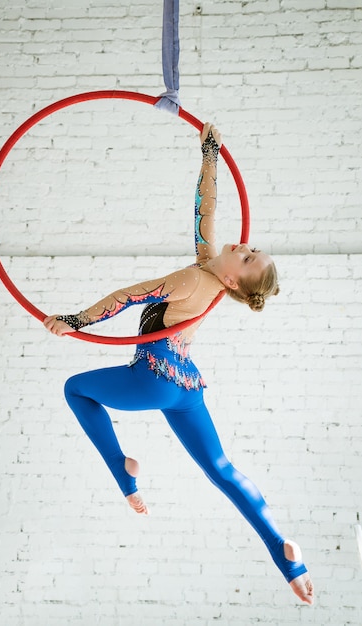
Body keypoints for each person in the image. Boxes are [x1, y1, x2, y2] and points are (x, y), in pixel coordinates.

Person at [44, 123, 314, 605]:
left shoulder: (192, 280)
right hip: (185, 386)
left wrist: (75, 320)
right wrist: (210, 155)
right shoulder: (209, 268)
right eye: (252, 247)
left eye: (248, 257)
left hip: (152, 379)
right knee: (221, 468)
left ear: (233, 284)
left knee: (74, 389)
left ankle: (123, 472)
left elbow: (129, 297)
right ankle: (286, 557)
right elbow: (204, 210)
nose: (244, 246)